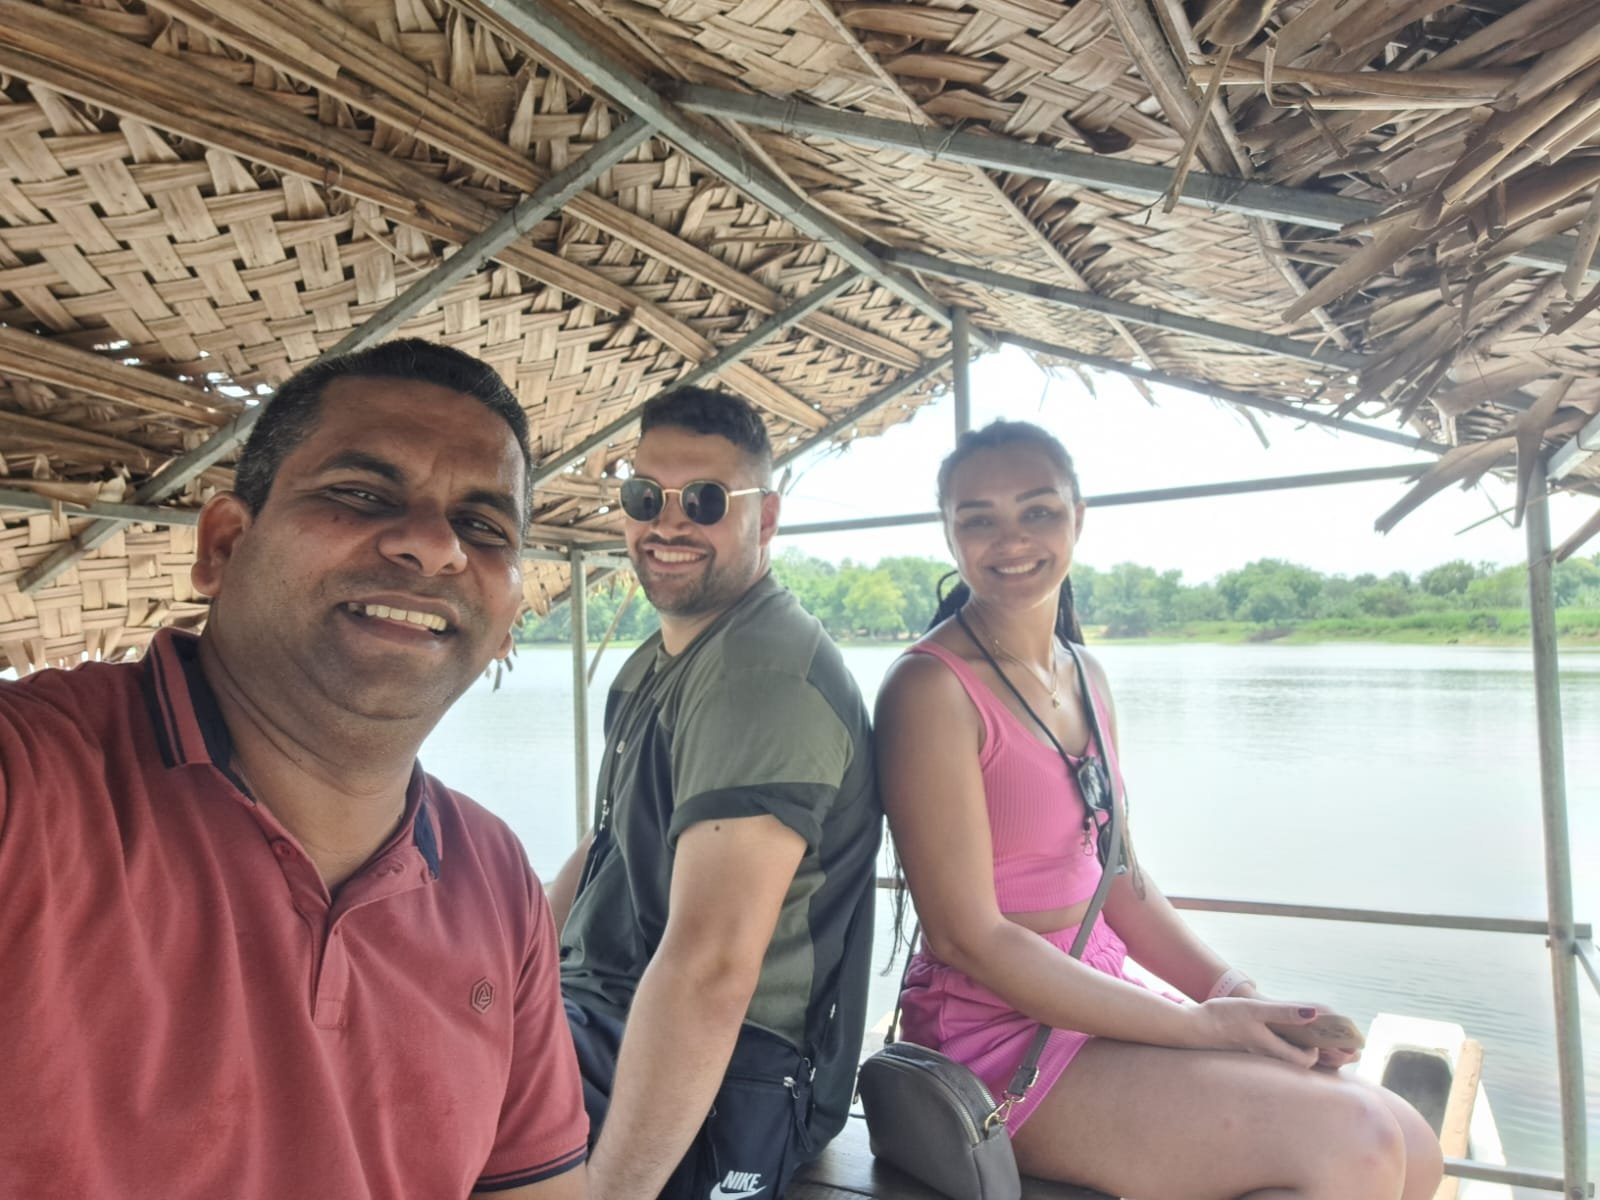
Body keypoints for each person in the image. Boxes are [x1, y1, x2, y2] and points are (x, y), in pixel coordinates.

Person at [0, 340, 587, 1200]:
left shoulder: (494, 881)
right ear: (224, 547)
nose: (434, 546)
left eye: (483, 526)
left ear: (507, 622)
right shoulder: (35, 786)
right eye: (362, 494)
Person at [874, 419, 1444, 1200]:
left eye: (1038, 510)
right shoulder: (931, 690)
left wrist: (1236, 996)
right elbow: (968, 938)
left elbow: (1119, 883)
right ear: (948, 533)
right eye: (979, 519)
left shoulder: (1085, 674)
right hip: (995, 1037)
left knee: (1414, 1144)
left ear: (1078, 517)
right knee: (1360, 1142)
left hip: (1098, 998)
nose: (1011, 539)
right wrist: (1199, 1028)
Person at [549, 385, 880, 1200]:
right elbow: (604, 849)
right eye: (645, 497)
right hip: (597, 1013)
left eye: (703, 500)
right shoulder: (654, 667)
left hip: (738, 1077)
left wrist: (610, 1194)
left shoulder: (760, 679)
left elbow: (711, 969)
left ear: (766, 519)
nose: (668, 524)